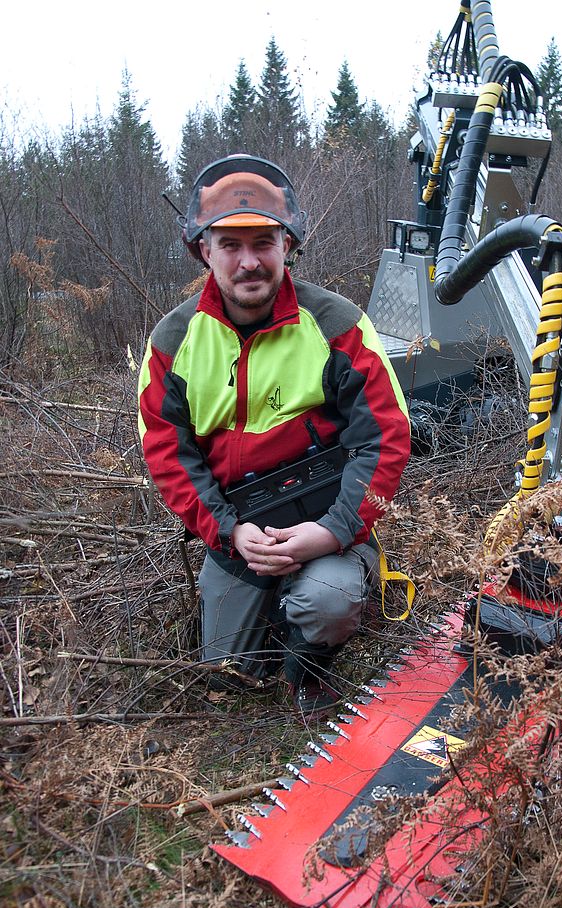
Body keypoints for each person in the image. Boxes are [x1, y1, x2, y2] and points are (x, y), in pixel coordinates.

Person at [138, 155, 411, 716]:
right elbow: (168, 452)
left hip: (327, 520)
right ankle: (269, 614)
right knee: (226, 667)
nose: (249, 262)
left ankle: (314, 655)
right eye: (231, 245)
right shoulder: (173, 340)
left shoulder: (336, 324)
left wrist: (334, 531)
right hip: (241, 528)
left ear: (287, 245)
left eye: (263, 242)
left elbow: (384, 438)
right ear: (203, 250)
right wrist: (229, 530)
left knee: (328, 601)